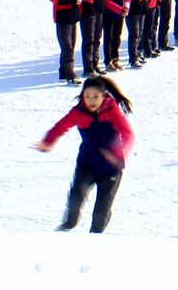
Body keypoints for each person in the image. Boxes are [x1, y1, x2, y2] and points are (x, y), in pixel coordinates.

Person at [33, 76, 134, 233]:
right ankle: (68, 225)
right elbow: (60, 126)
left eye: (95, 96)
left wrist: (118, 153)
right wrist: (48, 141)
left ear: (103, 96)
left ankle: (95, 237)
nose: (91, 100)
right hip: (87, 165)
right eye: (87, 96)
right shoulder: (78, 112)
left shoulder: (112, 111)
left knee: (101, 211)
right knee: (75, 197)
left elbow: (128, 134)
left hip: (111, 168)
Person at [48, 0, 92, 85]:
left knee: (70, 45)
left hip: (73, 16)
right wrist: (70, 0)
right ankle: (70, 74)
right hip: (62, 17)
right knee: (67, 47)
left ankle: (63, 71)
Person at [102, 0, 130, 71]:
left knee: (117, 37)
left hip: (121, 13)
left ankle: (115, 58)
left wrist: (127, 6)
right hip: (109, 13)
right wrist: (119, 9)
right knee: (108, 37)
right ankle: (108, 61)